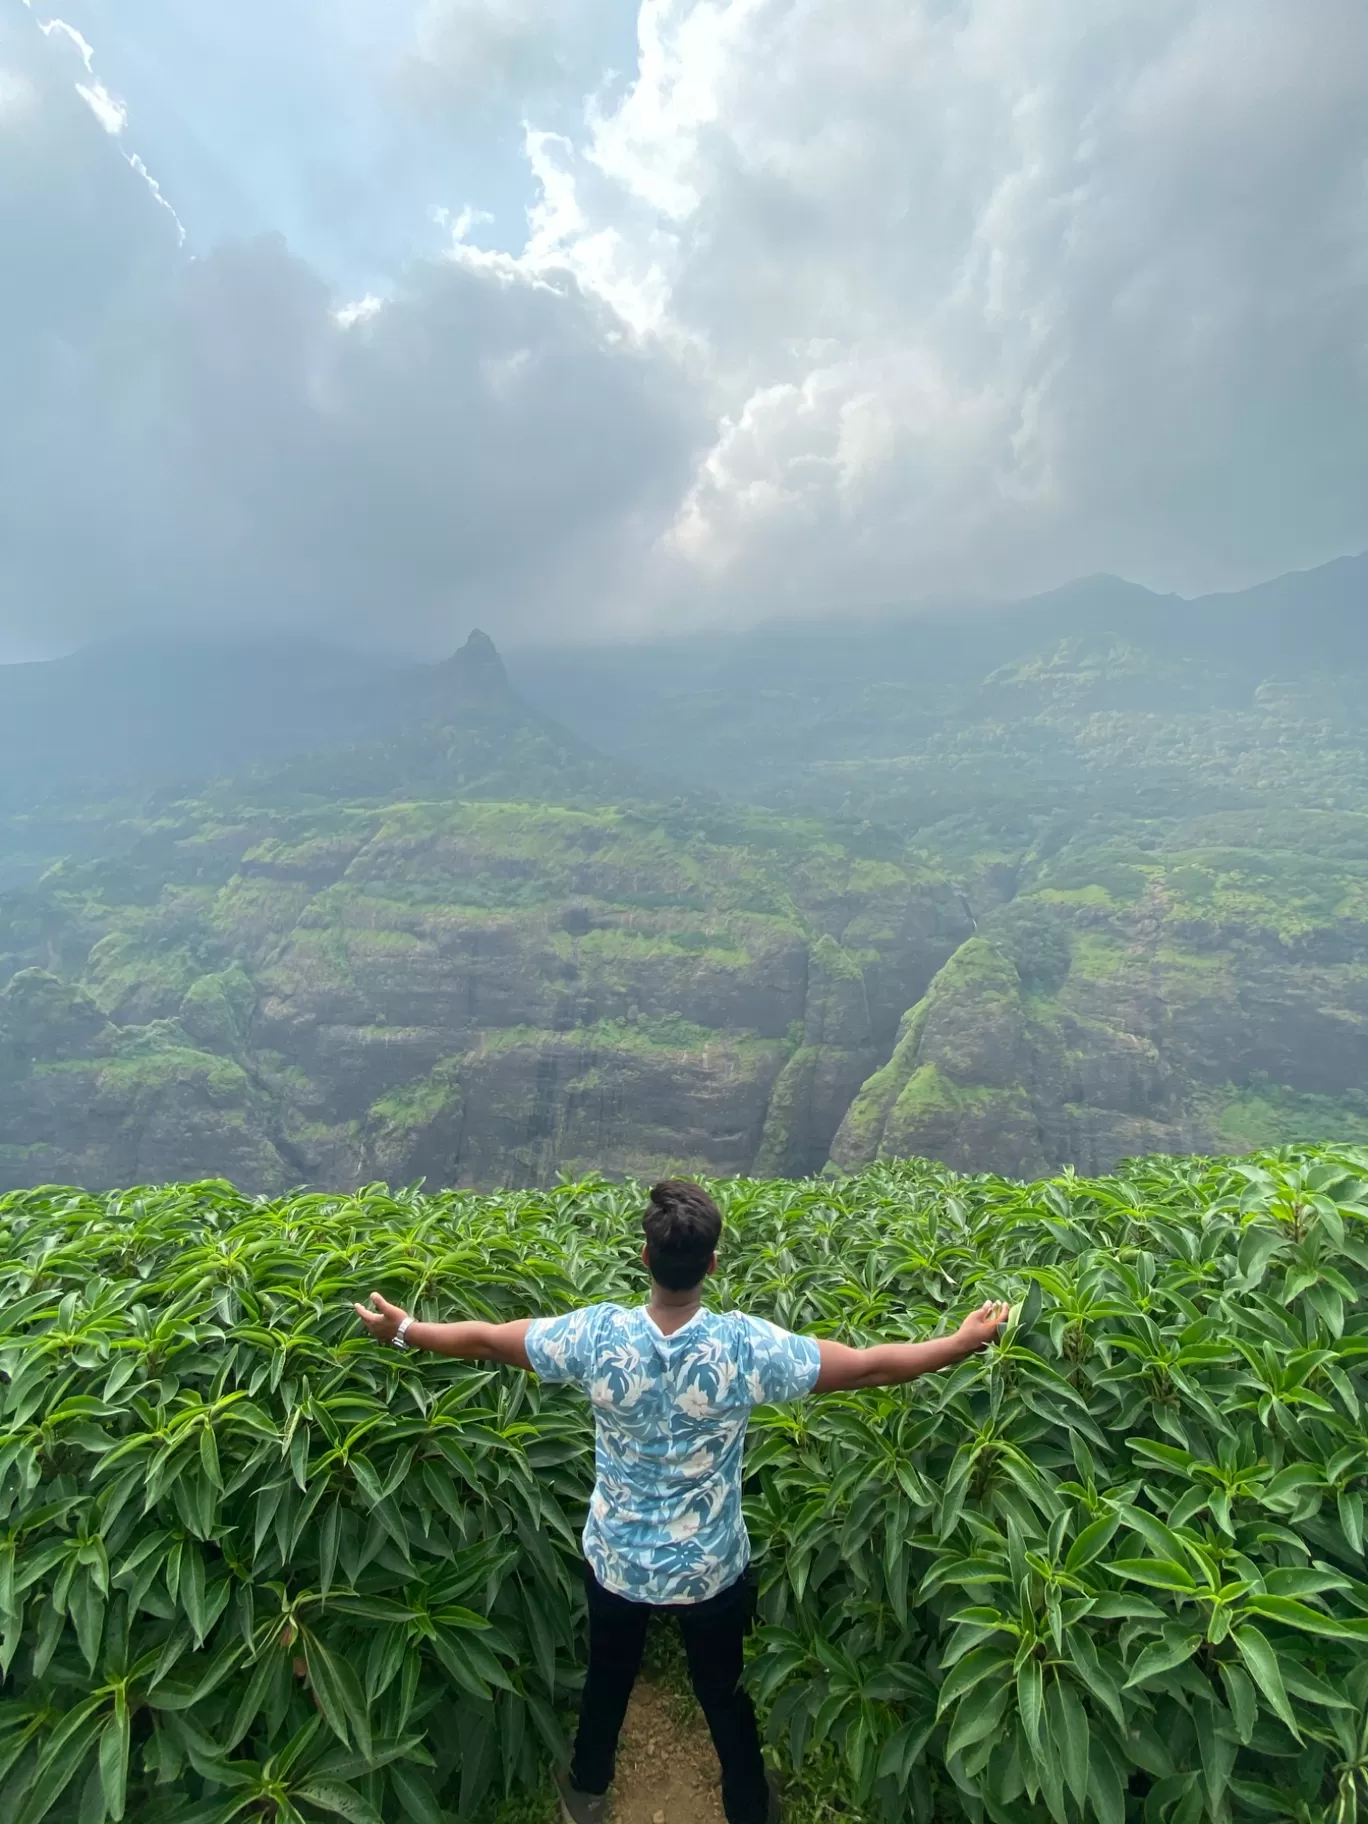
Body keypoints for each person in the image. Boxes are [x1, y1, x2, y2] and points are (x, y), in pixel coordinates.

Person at [354, 1179, 1008, 1824]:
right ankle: (749, 1805)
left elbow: (490, 1341)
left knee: (610, 1676)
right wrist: (958, 1343)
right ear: (712, 1265)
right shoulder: (745, 1347)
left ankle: (587, 1789)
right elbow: (868, 1366)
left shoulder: (597, 1337)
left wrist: (407, 1328)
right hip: (709, 1566)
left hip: (619, 1560)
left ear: (645, 1258)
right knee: (724, 1692)